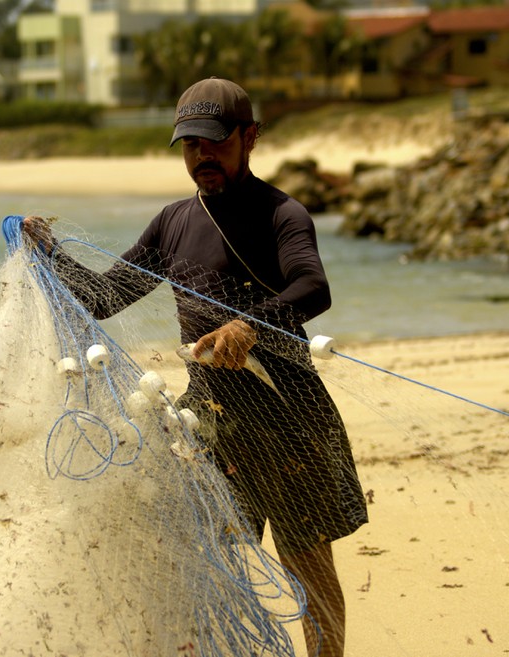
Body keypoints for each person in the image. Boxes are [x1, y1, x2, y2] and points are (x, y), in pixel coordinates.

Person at [24, 77, 366, 657]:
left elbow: (313, 287)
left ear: (250, 137)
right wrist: (52, 254)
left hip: (289, 421)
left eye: (216, 142)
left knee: (307, 569)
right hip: (209, 420)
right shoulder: (173, 221)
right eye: (191, 146)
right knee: (195, 559)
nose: (203, 156)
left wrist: (249, 325)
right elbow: (106, 299)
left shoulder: (282, 213)